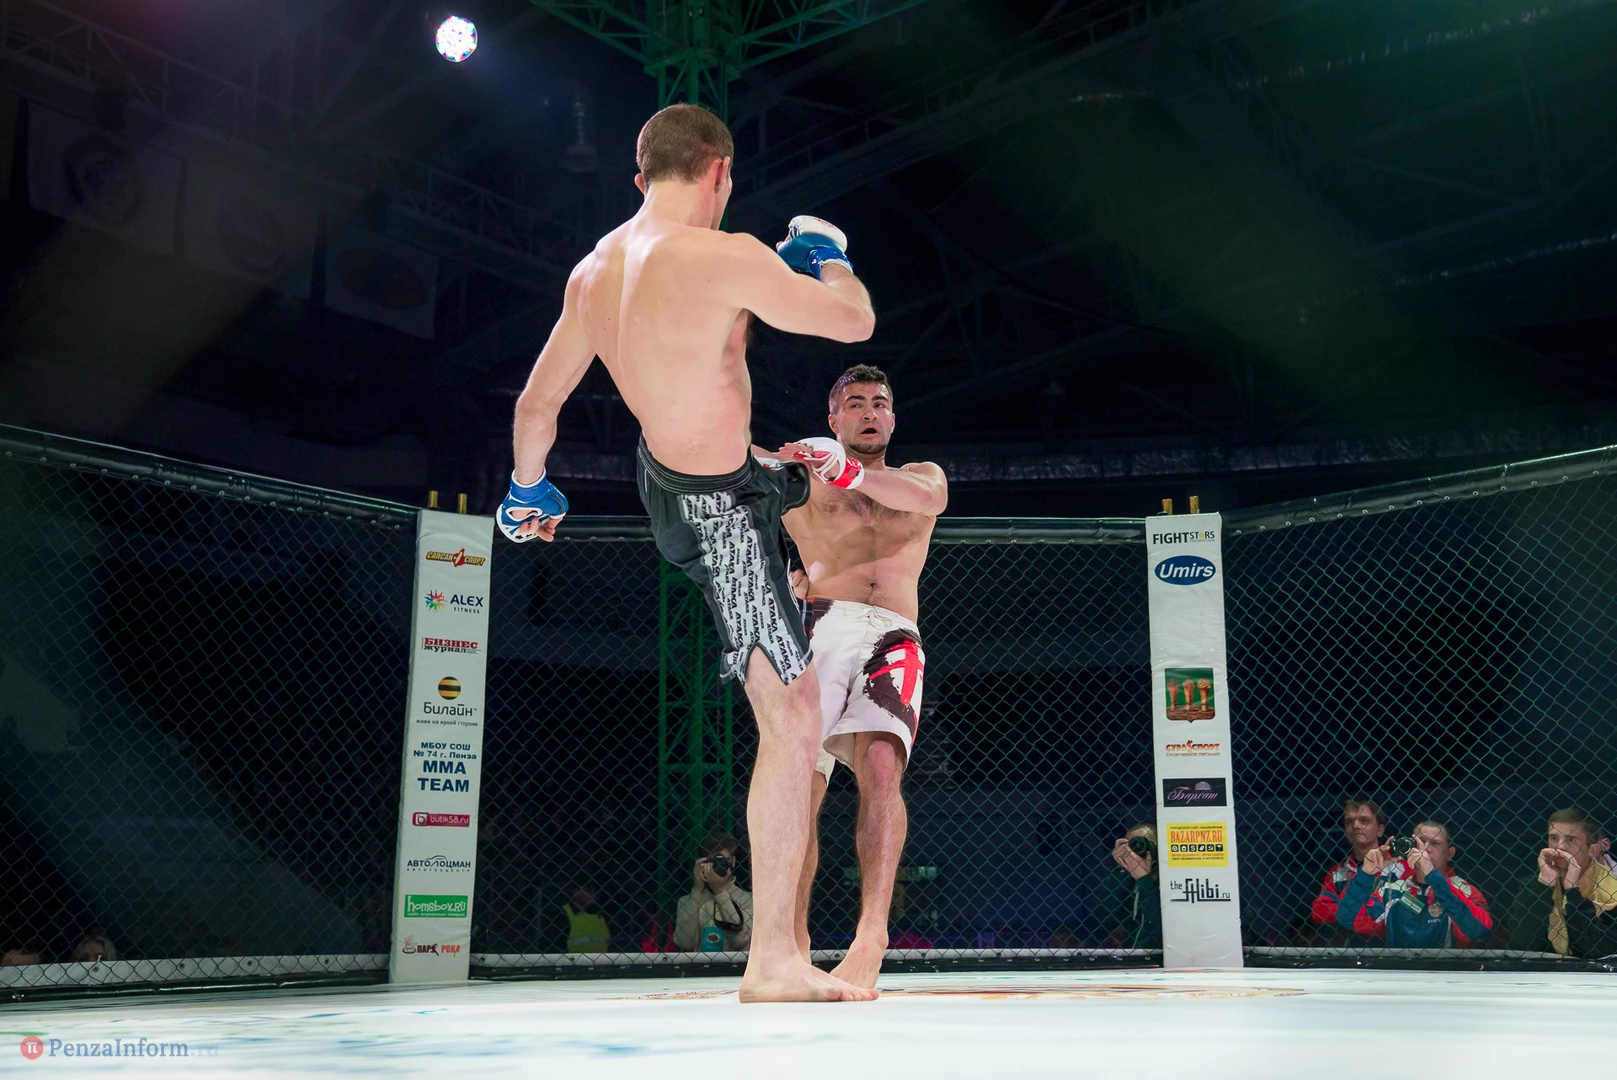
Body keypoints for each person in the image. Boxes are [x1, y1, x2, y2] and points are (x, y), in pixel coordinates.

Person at [500, 103, 876, 1002]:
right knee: (793, 717)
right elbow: (854, 324)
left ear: (641, 178)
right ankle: (772, 958)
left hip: (672, 480)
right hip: (720, 516)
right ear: (719, 172)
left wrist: (528, 491)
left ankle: (791, 476)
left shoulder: (592, 270)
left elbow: (535, 407)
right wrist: (826, 255)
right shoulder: (724, 255)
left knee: (784, 476)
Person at [772, 365, 946, 989]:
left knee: (882, 771)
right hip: (819, 624)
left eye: (879, 403)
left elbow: (926, 500)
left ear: (892, 418)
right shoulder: (798, 477)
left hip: (895, 633)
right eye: (855, 403)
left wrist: (843, 469)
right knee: (801, 786)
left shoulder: (923, 477)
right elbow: (729, 474)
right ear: (833, 418)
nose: (870, 412)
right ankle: (791, 942)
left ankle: (872, 935)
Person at [1336, 821, 1491, 948]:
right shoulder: (1390, 890)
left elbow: (1480, 930)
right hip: (1400, 971)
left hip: (1448, 971)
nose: (1426, 849)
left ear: (1449, 854)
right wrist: (1365, 875)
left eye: (1435, 843)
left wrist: (1433, 877)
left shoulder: (1465, 890)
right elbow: (1348, 919)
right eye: (1420, 842)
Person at [1507, 807, 1617, 958]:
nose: (1560, 847)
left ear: (1592, 850)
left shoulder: (1612, 889)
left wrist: (1572, 891)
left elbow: (1600, 949)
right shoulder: (1533, 884)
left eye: (1571, 840)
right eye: (1554, 838)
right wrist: (1544, 885)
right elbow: (1521, 941)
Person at [1311, 796, 1410, 942]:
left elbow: (1408, 913)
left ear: (1380, 830)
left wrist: (1350, 909)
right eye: (1349, 821)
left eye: (1364, 820)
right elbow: (1319, 912)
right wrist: (1371, 911)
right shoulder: (1337, 873)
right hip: (1349, 948)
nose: (1356, 826)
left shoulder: (1401, 867)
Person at [675, 833, 754, 952]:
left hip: (734, 963)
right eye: (713, 862)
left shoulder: (748, 900)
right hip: (699, 963)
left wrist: (719, 891)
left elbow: (740, 942)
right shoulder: (687, 901)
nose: (717, 866)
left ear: (732, 862)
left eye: (722, 861)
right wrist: (697, 890)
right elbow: (685, 943)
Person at [1098, 823, 1162, 949]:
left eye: (1142, 843)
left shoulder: (1170, 884)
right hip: (1132, 957)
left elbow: (1158, 928)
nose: (1136, 850)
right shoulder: (1131, 886)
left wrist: (1144, 879)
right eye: (1132, 845)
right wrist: (1119, 870)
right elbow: (1106, 922)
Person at [551, 882, 612, 953]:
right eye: (588, 890)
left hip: (601, 959)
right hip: (572, 959)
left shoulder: (600, 915)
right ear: (576, 892)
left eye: (594, 891)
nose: (592, 894)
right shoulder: (562, 914)